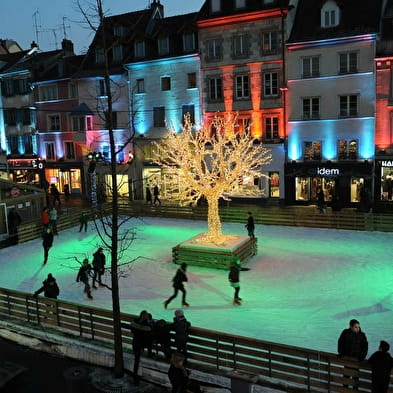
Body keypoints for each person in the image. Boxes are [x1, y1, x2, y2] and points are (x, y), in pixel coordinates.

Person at [338, 319, 368, 388]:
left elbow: (365, 347)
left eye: (358, 327)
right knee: (346, 377)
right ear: (351, 327)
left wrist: (362, 357)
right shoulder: (345, 333)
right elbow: (340, 343)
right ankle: (345, 390)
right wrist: (341, 353)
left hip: (357, 361)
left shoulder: (362, 335)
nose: (358, 329)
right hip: (347, 360)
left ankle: (355, 390)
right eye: (356, 327)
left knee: (355, 378)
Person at [130, 310, 153, 385]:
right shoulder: (147, 325)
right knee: (137, 361)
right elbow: (149, 333)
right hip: (140, 345)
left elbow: (132, 330)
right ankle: (135, 378)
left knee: (137, 360)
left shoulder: (135, 322)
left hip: (135, 343)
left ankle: (135, 377)